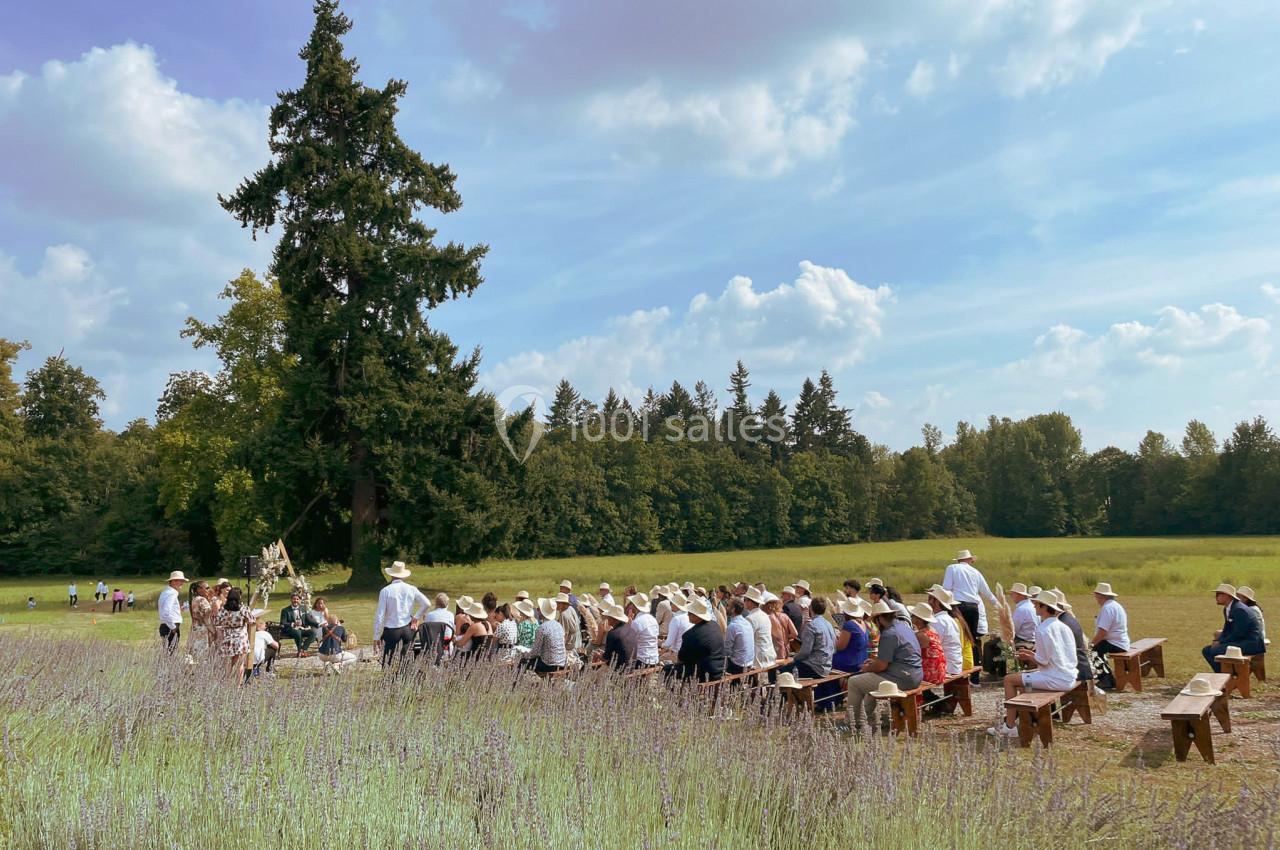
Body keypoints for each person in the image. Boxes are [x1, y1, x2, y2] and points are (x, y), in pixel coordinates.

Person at [988, 592, 1078, 737]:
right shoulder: (1063, 627)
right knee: (1024, 685)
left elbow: (1043, 661)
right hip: (1068, 676)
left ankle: (1010, 726)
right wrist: (1030, 655)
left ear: (1044, 607)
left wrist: (1029, 657)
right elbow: (1056, 656)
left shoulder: (1043, 629)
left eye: (1037, 604)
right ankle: (1030, 719)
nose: (1034, 606)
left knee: (1009, 680)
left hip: (1055, 678)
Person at [845, 601, 923, 732]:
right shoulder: (904, 628)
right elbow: (888, 660)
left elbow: (881, 666)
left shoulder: (889, 634)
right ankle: (864, 717)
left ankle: (852, 722)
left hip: (902, 679)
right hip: (915, 675)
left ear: (880, 619)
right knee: (869, 681)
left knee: (854, 682)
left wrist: (867, 668)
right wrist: (873, 665)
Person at [942, 549, 997, 683]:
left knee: (958, 637)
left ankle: (958, 671)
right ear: (969, 560)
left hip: (958, 606)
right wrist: (997, 603)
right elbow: (986, 591)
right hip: (973, 607)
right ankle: (975, 676)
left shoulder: (952, 568)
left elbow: (946, 588)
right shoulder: (976, 572)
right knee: (973, 639)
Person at [373, 561, 429, 669]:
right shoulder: (411, 588)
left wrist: (376, 636)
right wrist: (416, 617)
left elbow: (380, 615)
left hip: (391, 630)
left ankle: (388, 682)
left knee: (387, 662)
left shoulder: (385, 591)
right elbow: (426, 603)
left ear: (391, 574)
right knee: (406, 661)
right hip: (407, 628)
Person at [1203, 583, 1266, 671]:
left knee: (1214, 651)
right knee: (1207, 650)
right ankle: (1225, 675)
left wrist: (1221, 643)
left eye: (1218, 594)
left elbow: (1239, 633)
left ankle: (1227, 676)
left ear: (1227, 596)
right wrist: (1218, 641)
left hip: (1251, 644)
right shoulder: (1228, 608)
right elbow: (1227, 629)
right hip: (1242, 641)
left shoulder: (1239, 610)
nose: (1216, 597)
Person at [674, 597, 725, 682]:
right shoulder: (714, 625)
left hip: (703, 674)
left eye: (690, 613)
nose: (687, 615)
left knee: (667, 670)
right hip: (719, 669)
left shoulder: (690, 635)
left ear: (697, 616)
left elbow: (682, 658)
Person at [1090, 582, 1129, 691]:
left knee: (1092, 652)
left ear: (1101, 596)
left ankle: (1105, 680)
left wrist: (1091, 644)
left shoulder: (1107, 608)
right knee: (1097, 650)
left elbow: (1102, 632)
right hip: (1120, 641)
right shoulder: (1115, 605)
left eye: (1096, 595)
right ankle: (1108, 679)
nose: (1095, 598)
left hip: (1115, 642)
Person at [785, 598, 835, 679]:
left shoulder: (811, 625)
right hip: (827, 667)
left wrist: (794, 658)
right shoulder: (828, 624)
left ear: (811, 608)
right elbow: (834, 647)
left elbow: (805, 652)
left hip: (813, 668)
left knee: (778, 672)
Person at [213, 588, 253, 683]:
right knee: (240, 664)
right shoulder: (243, 609)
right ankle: (238, 686)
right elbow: (252, 620)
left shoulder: (224, 609)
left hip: (228, 638)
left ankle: (227, 684)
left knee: (228, 664)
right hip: (240, 638)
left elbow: (216, 621)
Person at [523, 598, 567, 675]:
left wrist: (525, 654)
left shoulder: (542, 628)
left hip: (549, 665)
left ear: (542, 612)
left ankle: (518, 684)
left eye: (539, 609)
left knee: (523, 662)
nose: (537, 611)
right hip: (562, 663)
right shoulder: (558, 625)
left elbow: (535, 652)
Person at [910, 603, 946, 688]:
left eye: (913, 615)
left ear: (918, 619)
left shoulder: (921, 635)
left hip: (930, 674)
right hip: (940, 670)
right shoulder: (932, 630)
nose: (911, 617)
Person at [832, 599, 870, 674]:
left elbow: (840, 647)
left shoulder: (849, 625)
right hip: (861, 660)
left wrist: (835, 639)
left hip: (850, 664)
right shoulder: (863, 623)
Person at [742, 587, 777, 668]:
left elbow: (747, 641)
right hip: (769, 655)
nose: (744, 602)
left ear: (750, 602)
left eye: (745, 599)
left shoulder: (750, 618)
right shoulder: (765, 615)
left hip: (759, 660)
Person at [627, 593, 660, 668]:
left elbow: (629, 642)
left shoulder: (637, 622)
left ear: (634, 606)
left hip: (641, 660)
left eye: (632, 604)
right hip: (654, 659)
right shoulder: (653, 619)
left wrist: (628, 625)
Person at [723, 599, 755, 675]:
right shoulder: (747, 622)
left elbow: (727, 651)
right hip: (749, 662)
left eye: (728, 606)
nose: (726, 608)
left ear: (733, 609)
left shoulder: (732, 626)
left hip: (738, 665)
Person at [157, 571, 187, 653]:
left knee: (168, 652)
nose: (182, 583)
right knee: (171, 654)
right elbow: (166, 612)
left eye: (182, 581)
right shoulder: (172, 593)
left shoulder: (165, 592)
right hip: (171, 625)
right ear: (173, 581)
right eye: (180, 581)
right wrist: (173, 627)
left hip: (165, 624)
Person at [598, 604, 634, 669]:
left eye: (608, 617)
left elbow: (606, 658)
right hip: (632, 666)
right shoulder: (631, 630)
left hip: (618, 669)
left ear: (613, 619)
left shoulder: (612, 633)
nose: (607, 619)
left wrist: (599, 655)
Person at [764, 593, 797, 662]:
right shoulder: (784, 616)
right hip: (786, 648)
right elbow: (795, 633)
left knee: (773, 670)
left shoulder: (768, 618)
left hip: (775, 649)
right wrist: (786, 637)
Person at [187, 580, 215, 656]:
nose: (209, 590)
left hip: (196, 628)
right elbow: (206, 619)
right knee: (203, 656)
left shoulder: (195, 599)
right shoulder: (202, 600)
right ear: (199, 589)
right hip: (203, 630)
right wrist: (213, 631)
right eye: (207, 588)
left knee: (196, 654)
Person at [555, 593, 583, 658]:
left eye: (558, 603)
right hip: (578, 641)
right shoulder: (571, 608)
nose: (556, 605)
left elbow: (565, 634)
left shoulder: (563, 615)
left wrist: (560, 650)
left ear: (563, 604)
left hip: (571, 644)